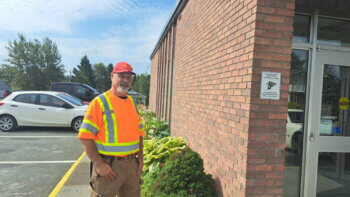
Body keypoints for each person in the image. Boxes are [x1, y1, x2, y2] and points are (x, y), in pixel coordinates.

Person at [78, 61, 144, 197]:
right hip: (109, 166)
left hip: (132, 165)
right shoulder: (99, 102)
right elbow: (85, 137)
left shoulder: (132, 102)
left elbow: (140, 133)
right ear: (112, 76)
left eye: (129, 77)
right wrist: (99, 164)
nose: (125, 80)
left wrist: (141, 160)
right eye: (121, 76)